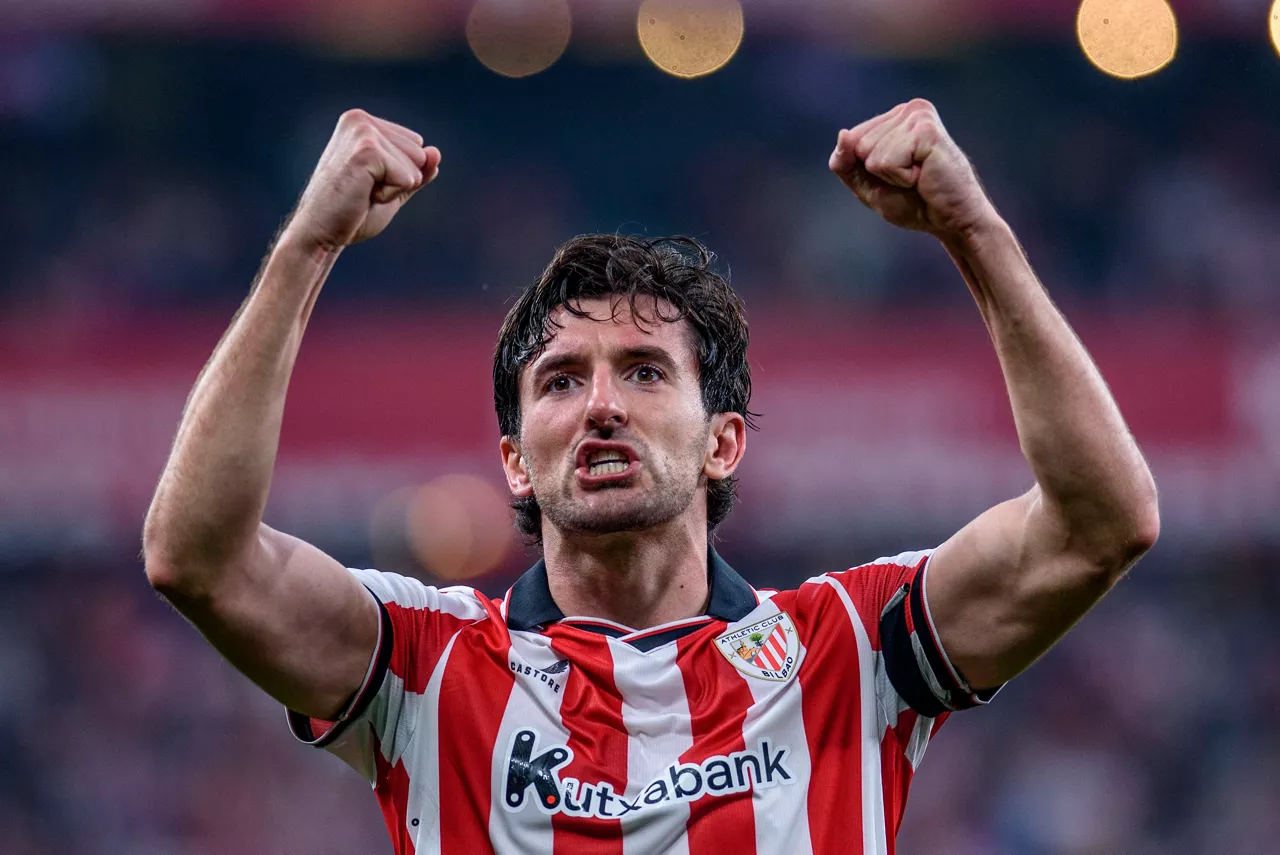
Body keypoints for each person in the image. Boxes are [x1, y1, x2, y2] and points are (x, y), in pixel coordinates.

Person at [142, 100, 1159, 854]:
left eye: (642, 371)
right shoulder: (425, 663)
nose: (599, 405)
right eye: (560, 381)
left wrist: (972, 234)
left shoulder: (848, 651)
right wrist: (308, 246)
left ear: (723, 443)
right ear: (515, 464)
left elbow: (1100, 523)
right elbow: (197, 559)